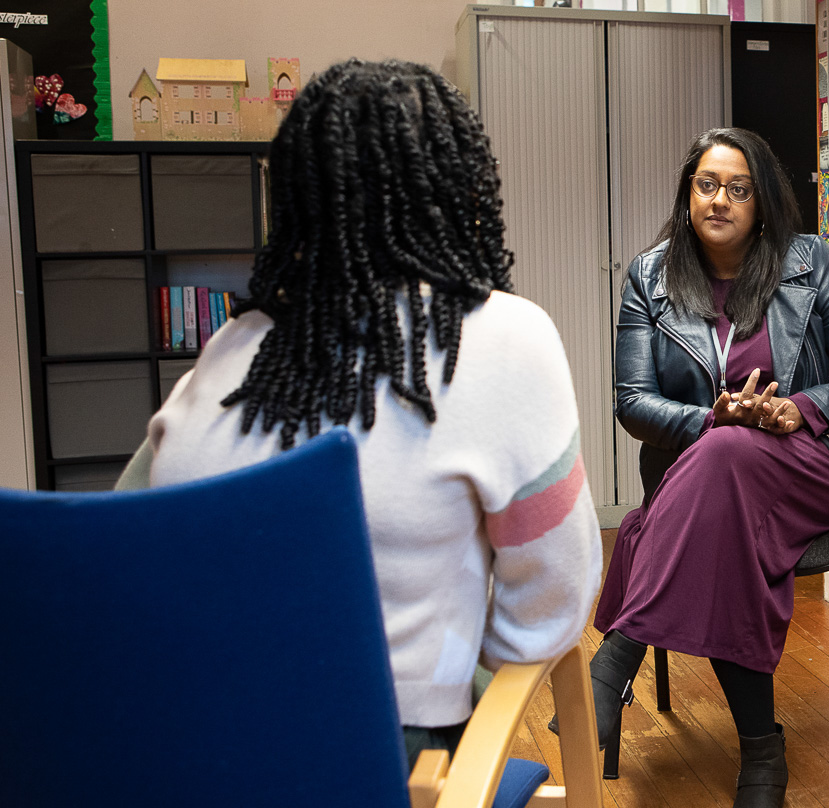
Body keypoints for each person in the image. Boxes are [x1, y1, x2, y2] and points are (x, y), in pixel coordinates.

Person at [127, 60, 602, 766]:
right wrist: (454, 682)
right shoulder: (504, 335)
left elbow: (126, 539)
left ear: (293, 198)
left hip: (174, 758)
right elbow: (556, 594)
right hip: (374, 767)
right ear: (459, 190)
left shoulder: (232, 346)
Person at [592, 126, 829, 808]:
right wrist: (711, 417)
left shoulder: (807, 263)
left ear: (761, 203)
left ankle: (617, 654)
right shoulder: (649, 276)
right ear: (686, 194)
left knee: (726, 462)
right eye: (706, 184)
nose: (719, 199)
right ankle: (763, 754)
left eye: (737, 187)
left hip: (818, 463)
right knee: (725, 468)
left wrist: (802, 408)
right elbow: (632, 401)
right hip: (713, 485)